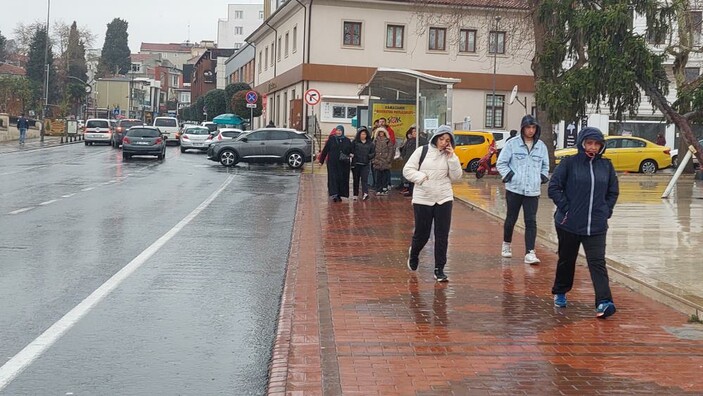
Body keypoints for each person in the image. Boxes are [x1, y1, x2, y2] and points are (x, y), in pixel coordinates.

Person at [548, 127, 619, 318]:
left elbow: (613, 192)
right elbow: (554, 187)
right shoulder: (569, 163)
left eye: (597, 144)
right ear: (582, 143)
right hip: (569, 223)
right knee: (567, 259)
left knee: (597, 262)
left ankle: (604, 302)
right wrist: (566, 207)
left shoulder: (606, 166)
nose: (593, 147)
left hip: (596, 225)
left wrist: (606, 211)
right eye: (589, 143)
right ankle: (561, 291)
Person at [402, 125, 463, 282]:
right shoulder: (422, 151)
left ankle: (439, 268)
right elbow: (407, 170)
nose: (444, 142)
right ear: (436, 138)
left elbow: (457, 177)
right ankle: (414, 253)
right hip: (423, 198)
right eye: (441, 139)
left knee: (442, 235)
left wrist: (453, 158)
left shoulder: (450, 156)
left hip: (444, 198)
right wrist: (421, 177)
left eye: (447, 140)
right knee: (422, 233)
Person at [496, 114, 550, 264]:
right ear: (522, 128)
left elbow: (545, 165)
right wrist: (510, 175)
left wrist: (541, 177)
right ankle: (506, 244)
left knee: (531, 221)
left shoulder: (541, 146)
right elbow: (501, 163)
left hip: (532, 191)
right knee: (511, 218)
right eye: (528, 127)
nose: (531, 130)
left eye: (533, 127)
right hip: (514, 189)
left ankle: (530, 252)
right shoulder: (512, 144)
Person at [319, 125, 353, 202]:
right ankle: (334, 194)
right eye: (337, 130)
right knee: (333, 178)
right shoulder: (331, 139)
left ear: (342, 131)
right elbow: (325, 150)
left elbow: (351, 150)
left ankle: (340, 194)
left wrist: (351, 154)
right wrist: (321, 161)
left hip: (343, 164)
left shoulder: (347, 140)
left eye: (340, 130)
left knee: (341, 178)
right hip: (332, 163)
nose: (338, 132)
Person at [400, 126, 427, 196]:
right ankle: (410, 191)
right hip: (408, 160)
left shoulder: (423, 141)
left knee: (416, 176)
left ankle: (416, 192)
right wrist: (404, 157)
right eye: (413, 132)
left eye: (416, 131)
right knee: (410, 177)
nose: (414, 133)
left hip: (419, 162)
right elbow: (404, 150)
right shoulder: (409, 140)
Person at [351, 126, 375, 201]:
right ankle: (355, 194)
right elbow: (351, 150)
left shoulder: (370, 143)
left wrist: (369, 156)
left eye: (364, 134)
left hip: (365, 164)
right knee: (356, 179)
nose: (363, 136)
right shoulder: (355, 142)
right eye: (362, 134)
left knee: (364, 180)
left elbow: (373, 152)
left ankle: (365, 193)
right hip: (356, 164)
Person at [371, 127, 393, 195]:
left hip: (385, 161)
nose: (381, 134)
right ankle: (378, 189)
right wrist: (373, 159)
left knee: (385, 176)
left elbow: (391, 150)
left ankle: (384, 189)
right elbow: (372, 151)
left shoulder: (388, 141)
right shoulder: (375, 141)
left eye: (382, 132)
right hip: (377, 160)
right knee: (377, 177)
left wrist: (388, 159)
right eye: (380, 132)